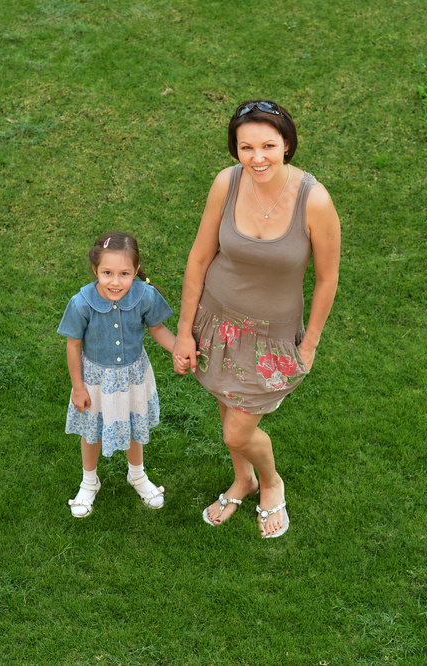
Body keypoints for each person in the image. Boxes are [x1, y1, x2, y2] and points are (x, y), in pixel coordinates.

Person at [172, 100, 341, 538]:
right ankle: (243, 480)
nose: (257, 157)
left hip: (273, 338)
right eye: (246, 147)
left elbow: (327, 279)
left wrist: (310, 345)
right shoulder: (226, 184)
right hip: (216, 321)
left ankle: (270, 482)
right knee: (229, 409)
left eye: (268, 145)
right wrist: (185, 331)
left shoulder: (314, 201)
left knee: (236, 432)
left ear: (287, 143)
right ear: (235, 150)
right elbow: (199, 258)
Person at [58, 231, 177, 518]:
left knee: (135, 426)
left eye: (124, 273)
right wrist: (78, 387)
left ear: (136, 270)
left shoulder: (144, 295)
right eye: (107, 272)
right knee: (91, 430)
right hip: (95, 381)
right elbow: (73, 346)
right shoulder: (81, 303)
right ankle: (89, 482)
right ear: (94, 270)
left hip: (132, 378)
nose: (115, 281)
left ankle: (137, 475)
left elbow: (158, 328)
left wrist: (178, 350)